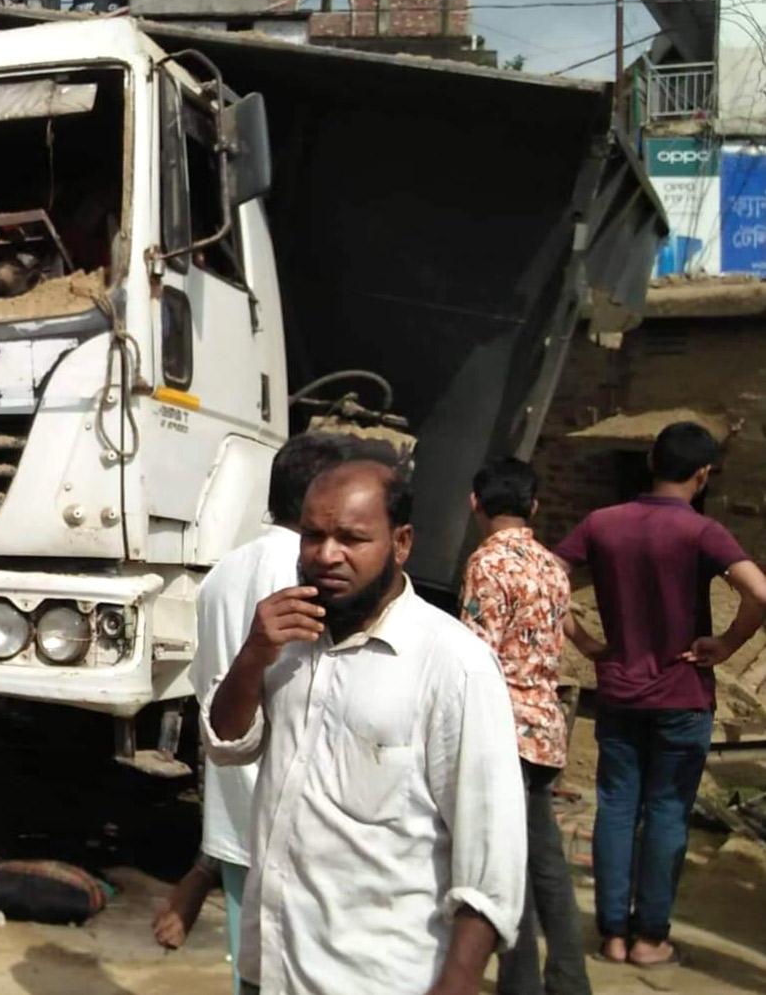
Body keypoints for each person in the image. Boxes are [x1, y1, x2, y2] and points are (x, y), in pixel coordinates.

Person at [203, 458, 526, 995]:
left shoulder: (453, 665)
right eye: (313, 536)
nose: (327, 555)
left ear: (400, 544)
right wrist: (254, 653)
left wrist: (459, 982)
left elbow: (493, 860)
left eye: (352, 538)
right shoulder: (284, 639)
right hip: (274, 968)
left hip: (379, 978)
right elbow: (227, 744)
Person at [552, 421, 766, 967]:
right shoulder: (702, 532)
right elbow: (759, 592)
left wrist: (587, 641)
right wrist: (725, 643)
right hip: (683, 693)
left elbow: (547, 580)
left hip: (620, 691)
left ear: (651, 460)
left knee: (617, 806)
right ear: (703, 474)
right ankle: (650, 938)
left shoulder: (602, 522)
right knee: (668, 812)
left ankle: (612, 936)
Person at [156, 434, 350, 980]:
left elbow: (205, 687)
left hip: (235, 810)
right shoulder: (313, 573)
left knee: (252, 969)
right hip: (302, 817)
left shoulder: (221, 574)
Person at [460, 458, 590, 995]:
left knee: (504, 865)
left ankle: (520, 982)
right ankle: (568, 977)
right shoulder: (553, 568)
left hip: (501, 733)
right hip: (546, 731)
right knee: (546, 864)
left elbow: (475, 656)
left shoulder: (487, 564)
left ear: (475, 504)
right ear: (534, 506)